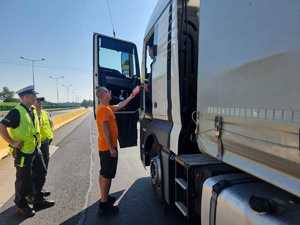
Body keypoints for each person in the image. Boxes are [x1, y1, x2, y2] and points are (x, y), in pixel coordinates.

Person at [0, 85, 54, 217]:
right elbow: (2, 126)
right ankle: (21, 205)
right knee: (23, 179)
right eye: (33, 95)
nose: (35, 97)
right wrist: (12, 142)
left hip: (35, 149)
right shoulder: (16, 111)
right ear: (24, 97)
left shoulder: (32, 110)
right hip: (23, 152)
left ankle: (37, 199)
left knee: (41, 172)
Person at [96, 86, 139, 216]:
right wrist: (111, 148)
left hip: (105, 147)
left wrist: (131, 95)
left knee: (104, 173)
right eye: (108, 92)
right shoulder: (103, 110)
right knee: (107, 175)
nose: (110, 93)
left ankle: (105, 197)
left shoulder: (107, 108)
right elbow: (105, 130)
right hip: (107, 148)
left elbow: (120, 105)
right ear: (103, 94)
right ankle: (104, 205)